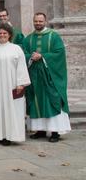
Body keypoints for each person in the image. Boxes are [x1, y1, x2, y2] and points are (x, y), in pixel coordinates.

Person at [24, 13, 71, 143]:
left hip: (50, 77)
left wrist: (42, 56)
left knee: (52, 100)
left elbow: (59, 53)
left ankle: (55, 132)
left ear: (45, 21)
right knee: (36, 101)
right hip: (34, 77)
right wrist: (30, 57)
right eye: (36, 21)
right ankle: (40, 130)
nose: (38, 23)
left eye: (40, 21)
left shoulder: (54, 36)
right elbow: (24, 54)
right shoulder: (28, 39)